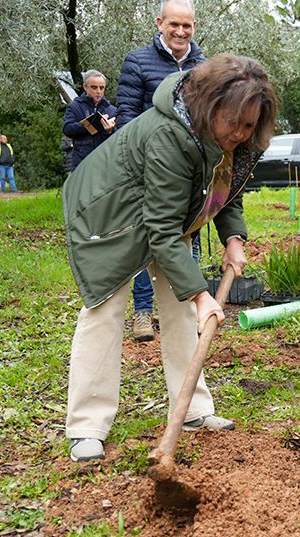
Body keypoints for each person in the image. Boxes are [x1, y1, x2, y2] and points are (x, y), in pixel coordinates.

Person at [62, 54, 277, 462]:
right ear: (210, 107)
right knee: (104, 308)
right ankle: (88, 425)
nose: (239, 133)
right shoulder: (168, 134)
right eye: (233, 123)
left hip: (163, 210)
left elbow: (223, 186)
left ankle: (193, 408)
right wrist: (202, 295)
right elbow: (160, 230)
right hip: (108, 212)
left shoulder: (230, 135)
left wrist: (233, 237)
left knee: (181, 305)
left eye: (249, 126)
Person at [117, 0, 206, 342]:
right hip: (147, 171)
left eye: (187, 26)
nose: (181, 32)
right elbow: (125, 118)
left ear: (194, 27)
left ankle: (185, 313)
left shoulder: (203, 66)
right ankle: (142, 311)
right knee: (146, 242)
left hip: (188, 175)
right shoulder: (138, 62)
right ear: (160, 23)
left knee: (186, 241)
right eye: (174, 25)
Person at [63, 70, 117, 171]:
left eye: (101, 88)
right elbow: (67, 129)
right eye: (94, 87)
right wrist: (90, 124)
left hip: (105, 164)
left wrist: (110, 131)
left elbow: (118, 139)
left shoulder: (112, 110)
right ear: (85, 87)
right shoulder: (74, 107)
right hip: (81, 163)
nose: (98, 91)